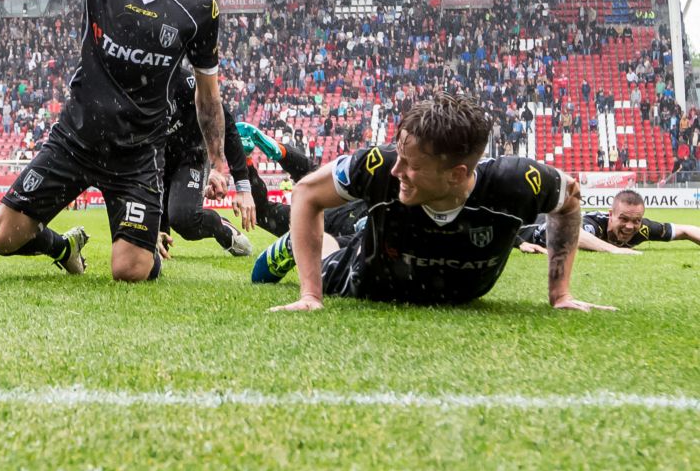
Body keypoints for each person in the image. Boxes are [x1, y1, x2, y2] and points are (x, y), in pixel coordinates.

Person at [0, 0, 227, 282]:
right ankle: (63, 246)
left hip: (137, 154)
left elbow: (207, 97)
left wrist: (217, 159)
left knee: (130, 271)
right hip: (75, 140)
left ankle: (143, 246)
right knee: (4, 238)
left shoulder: (200, 8)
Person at [253, 93, 614, 313]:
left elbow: (569, 201)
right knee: (269, 272)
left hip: (452, 290)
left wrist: (560, 293)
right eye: (399, 156)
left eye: (413, 166)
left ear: (456, 174)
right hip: (362, 280)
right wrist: (310, 294)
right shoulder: (378, 165)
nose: (397, 170)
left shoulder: (517, 184)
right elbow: (305, 193)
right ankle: (304, 246)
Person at [159, 66, 254, 258]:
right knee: (149, 252)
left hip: (189, 156)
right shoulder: (131, 88)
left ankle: (222, 228)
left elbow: (225, 121)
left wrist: (242, 184)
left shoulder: (184, 81)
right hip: (154, 162)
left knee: (185, 219)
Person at [237, 121, 368, 238]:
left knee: (313, 175)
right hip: (348, 223)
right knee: (262, 213)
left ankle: (279, 151)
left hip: (354, 200)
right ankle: (250, 158)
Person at [515, 189, 700, 255]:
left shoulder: (642, 229)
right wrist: (615, 250)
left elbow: (684, 230)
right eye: (623, 219)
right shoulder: (592, 223)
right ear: (611, 215)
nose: (630, 226)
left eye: (636, 220)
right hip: (522, 226)